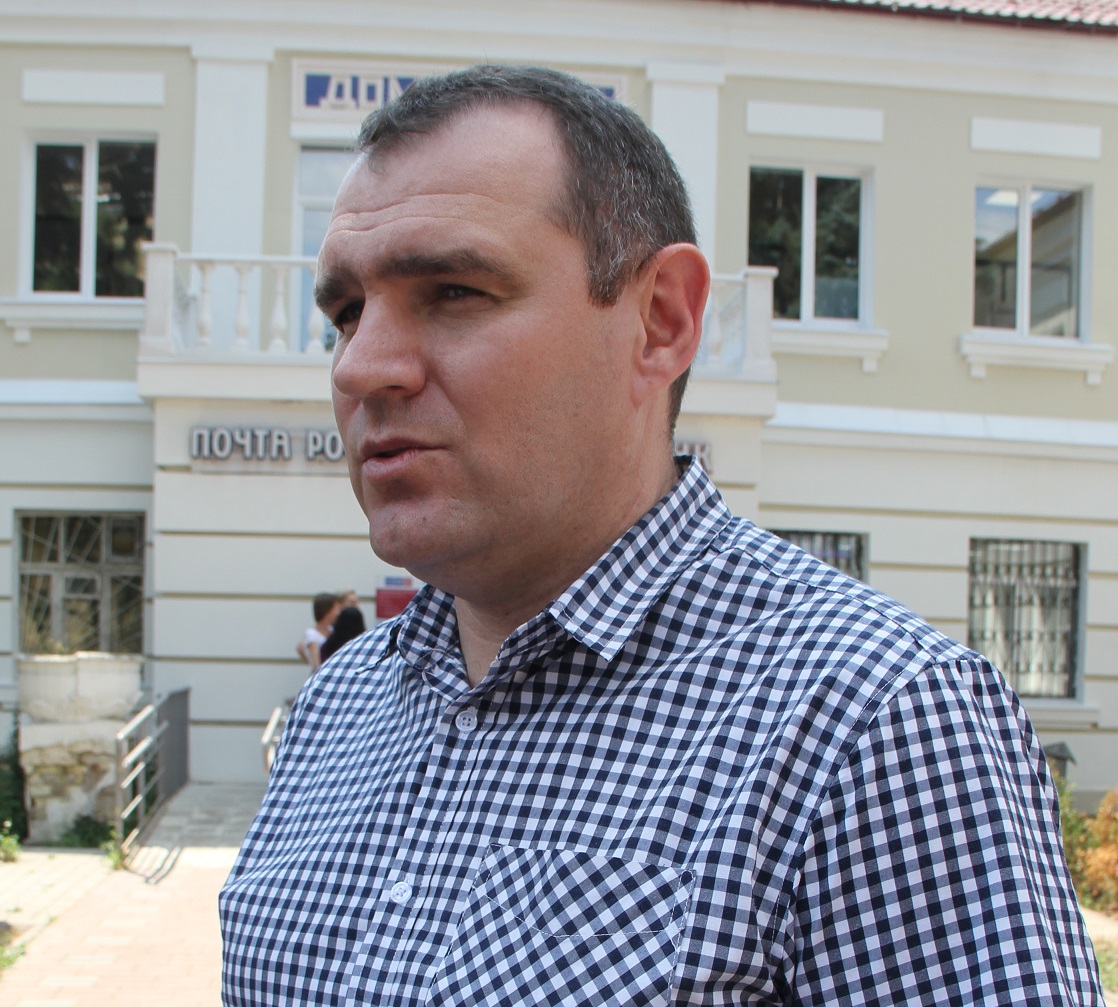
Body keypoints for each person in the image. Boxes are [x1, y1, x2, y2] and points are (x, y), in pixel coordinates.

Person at [221, 65, 1104, 1005]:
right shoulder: (334, 711)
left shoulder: (874, 722)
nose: (360, 366)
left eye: (454, 290)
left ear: (660, 321)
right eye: (346, 313)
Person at [294, 591, 340, 672]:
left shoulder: (331, 630)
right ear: (327, 611)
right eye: (336, 609)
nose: (338, 612)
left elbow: (299, 647)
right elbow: (317, 666)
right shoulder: (312, 634)